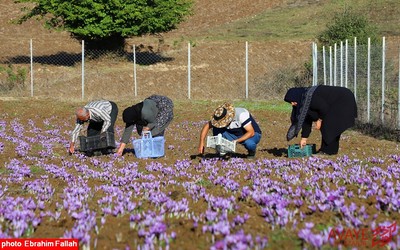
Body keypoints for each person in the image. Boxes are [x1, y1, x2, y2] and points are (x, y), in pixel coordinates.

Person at [284, 85, 357, 155]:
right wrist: (304, 138)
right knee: (331, 125)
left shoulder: (310, 97)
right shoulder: (304, 102)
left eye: (292, 101)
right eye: (290, 102)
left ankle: (327, 151)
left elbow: (324, 108)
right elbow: (307, 120)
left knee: (329, 124)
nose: (292, 104)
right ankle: (330, 150)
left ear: (296, 96)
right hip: (337, 101)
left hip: (343, 99)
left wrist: (319, 120)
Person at [198, 103, 262, 158]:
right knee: (216, 128)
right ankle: (222, 149)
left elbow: (251, 132)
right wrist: (201, 143)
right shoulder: (220, 116)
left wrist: (236, 141)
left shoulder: (241, 115)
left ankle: (251, 152)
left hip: (251, 134)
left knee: (249, 144)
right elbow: (207, 126)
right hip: (234, 133)